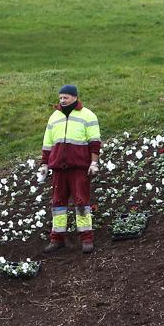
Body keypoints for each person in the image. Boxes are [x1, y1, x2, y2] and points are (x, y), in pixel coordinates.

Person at [40, 84, 102, 254]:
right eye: (60, 98)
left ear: (75, 97)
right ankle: (56, 239)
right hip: (59, 168)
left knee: (82, 202)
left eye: (65, 97)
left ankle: (86, 238)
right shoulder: (54, 117)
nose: (62, 100)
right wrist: (44, 164)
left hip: (79, 167)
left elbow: (94, 142)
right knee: (58, 204)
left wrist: (94, 163)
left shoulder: (88, 115)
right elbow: (47, 143)